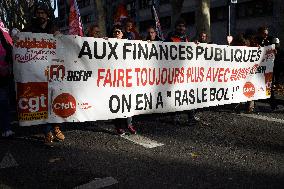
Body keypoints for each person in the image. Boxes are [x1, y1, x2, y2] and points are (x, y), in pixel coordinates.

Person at [22, 2, 64, 143]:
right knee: (42, 102)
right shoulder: (30, 29)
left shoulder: (54, 28)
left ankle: (56, 127)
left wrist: (61, 37)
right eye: (38, 13)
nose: (40, 15)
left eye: (43, 12)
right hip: (37, 72)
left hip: (53, 72)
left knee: (55, 100)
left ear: (47, 14)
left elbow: (63, 46)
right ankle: (47, 132)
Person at [165, 18, 199, 127]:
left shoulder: (186, 39)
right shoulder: (170, 38)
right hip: (174, 73)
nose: (181, 28)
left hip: (185, 73)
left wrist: (195, 45)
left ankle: (191, 117)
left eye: (183, 26)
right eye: (179, 26)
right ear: (175, 27)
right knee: (175, 95)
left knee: (188, 95)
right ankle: (174, 117)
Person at [110, 25, 137, 135]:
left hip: (127, 78)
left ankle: (129, 124)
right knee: (117, 102)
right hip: (114, 79)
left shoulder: (128, 44)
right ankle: (119, 126)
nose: (117, 34)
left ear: (122, 34)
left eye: (119, 32)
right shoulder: (107, 44)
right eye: (115, 32)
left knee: (128, 102)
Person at [0, 28, 14, 137]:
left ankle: (6, 128)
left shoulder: (3, 36)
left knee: (4, 103)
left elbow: (10, 51)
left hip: (3, 78)